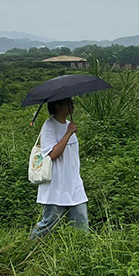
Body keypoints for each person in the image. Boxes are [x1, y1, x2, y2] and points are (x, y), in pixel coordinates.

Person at [30, 97, 89, 238]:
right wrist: (68, 133)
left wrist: (69, 131)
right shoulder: (49, 126)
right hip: (57, 186)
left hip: (74, 185)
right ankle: (27, 248)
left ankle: (82, 254)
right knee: (48, 224)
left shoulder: (69, 124)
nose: (72, 105)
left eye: (72, 102)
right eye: (68, 102)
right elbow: (53, 154)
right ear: (57, 105)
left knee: (82, 225)